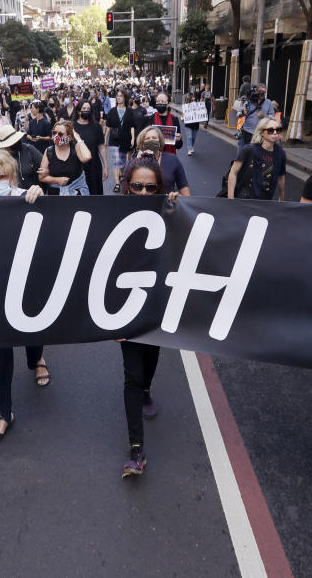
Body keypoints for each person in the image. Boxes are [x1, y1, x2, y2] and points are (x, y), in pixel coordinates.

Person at [0, 151, 48, 445]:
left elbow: (50, 218)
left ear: (12, 177)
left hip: (27, 283)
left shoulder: (25, 196)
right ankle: (5, 412)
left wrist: (40, 193)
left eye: (0, 176)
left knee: (33, 329)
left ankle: (37, 358)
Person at [117, 153, 178, 478]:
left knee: (150, 360)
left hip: (157, 305)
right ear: (127, 186)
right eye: (137, 187)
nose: (143, 194)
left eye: (150, 188)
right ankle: (136, 451)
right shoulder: (111, 216)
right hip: (126, 307)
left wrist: (175, 210)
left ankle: (146, 392)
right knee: (132, 374)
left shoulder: (168, 212)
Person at [227, 118, 286, 201]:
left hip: (265, 201)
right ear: (262, 132)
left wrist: (282, 199)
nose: (275, 132)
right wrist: (230, 199)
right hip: (244, 199)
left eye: (278, 130)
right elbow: (233, 172)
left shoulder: (280, 153)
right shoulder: (249, 150)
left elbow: (281, 177)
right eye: (270, 130)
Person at [38, 119, 93, 195]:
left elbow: (87, 157)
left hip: (77, 192)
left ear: (69, 137)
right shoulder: (49, 151)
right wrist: (57, 180)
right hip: (56, 194)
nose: (56, 136)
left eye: (60, 134)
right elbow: (41, 177)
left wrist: (79, 139)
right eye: (54, 133)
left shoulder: (76, 148)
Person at [132, 126, 190, 196]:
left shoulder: (173, 160)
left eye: (154, 138)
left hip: (166, 205)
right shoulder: (134, 163)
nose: (151, 140)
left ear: (160, 141)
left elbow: (183, 186)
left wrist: (184, 200)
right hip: (141, 205)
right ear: (142, 143)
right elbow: (126, 190)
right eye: (148, 138)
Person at [103, 89, 138, 193]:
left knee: (122, 160)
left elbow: (132, 126)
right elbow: (108, 127)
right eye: (117, 96)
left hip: (125, 138)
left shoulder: (130, 111)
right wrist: (105, 139)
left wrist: (132, 138)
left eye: (121, 96)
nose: (118, 98)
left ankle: (122, 174)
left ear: (125, 98)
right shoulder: (112, 111)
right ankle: (117, 183)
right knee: (115, 161)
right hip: (114, 139)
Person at [73, 101, 107, 195]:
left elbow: (101, 147)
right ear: (79, 111)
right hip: (77, 166)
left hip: (94, 165)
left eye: (88, 109)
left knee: (95, 192)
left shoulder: (96, 127)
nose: (86, 111)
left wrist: (106, 167)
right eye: (84, 109)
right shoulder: (72, 127)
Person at [0, 125, 42, 191]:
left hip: (31, 194)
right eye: (13, 142)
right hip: (10, 197)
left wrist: (45, 171)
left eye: (17, 140)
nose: (17, 143)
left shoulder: (29, 150)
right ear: (5, 146)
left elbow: (44, 166)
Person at [238, 83, 272, 156]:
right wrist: (243, 113)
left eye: (263, 92)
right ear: (257, 91)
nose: (262, 94)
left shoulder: (268, 103)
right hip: (247, 132)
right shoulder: (249, 101)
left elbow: (273, 118)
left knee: (256, 156)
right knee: (243, 155)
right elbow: (238, 114)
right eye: (260, 92)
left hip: (260, 134)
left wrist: (264, 116)